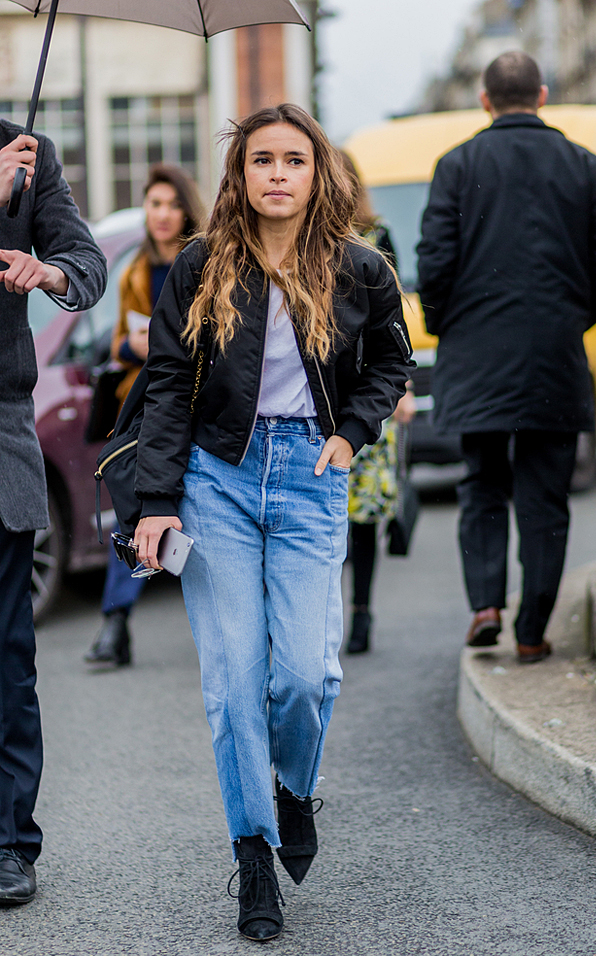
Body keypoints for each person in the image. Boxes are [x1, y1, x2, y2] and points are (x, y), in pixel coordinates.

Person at [131, 104, 413, 940]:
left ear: (318, 173)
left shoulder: (361, 268)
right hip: (216, 476)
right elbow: (166, 381)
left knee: (305, 675)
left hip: (310, 477)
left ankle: (291, 786)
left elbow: (391, 362)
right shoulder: (202, 263)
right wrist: (156, 501)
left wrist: (349, 433)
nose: (278, 174)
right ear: (240, 173)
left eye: (294, 159)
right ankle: (254, 854)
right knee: (232, 680)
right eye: (263, 160)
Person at [416, 51, 596, 663]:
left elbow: (434, 262)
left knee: (482, 483)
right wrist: (573, 318)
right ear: (541, 95)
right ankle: (532, 631)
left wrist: (446, 326)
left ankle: (486, 606)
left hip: (476, 356)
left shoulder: (456, 165)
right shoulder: (585, 166)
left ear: (485, 100)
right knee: (545, 498)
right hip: (554, 358)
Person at [0, 120, 107, 904]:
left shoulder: (26, 153)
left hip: (0, 434)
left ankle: (9, 841)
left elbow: (88, 264)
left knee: (7, 658)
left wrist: (51, 272)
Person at [84, 164, 204, 667]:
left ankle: (223, 628)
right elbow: (117, 343)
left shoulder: (204, 262)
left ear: (187, 210)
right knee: (136, 514)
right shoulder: (135, 270)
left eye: (173, 204)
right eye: (154, 204)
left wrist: (163, 343)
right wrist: (135, 346)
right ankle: (116, 624)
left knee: (200, 514)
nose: (162, 214)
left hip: (195, 407)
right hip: (143, 410)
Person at [339, 150, 417, 654]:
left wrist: (401, 390)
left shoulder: (376, 237)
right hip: (324, 400)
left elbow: (393, 323)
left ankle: (362, 611)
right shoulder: (302, 239)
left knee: (364, 514)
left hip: (367, 396)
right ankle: (327, 612)